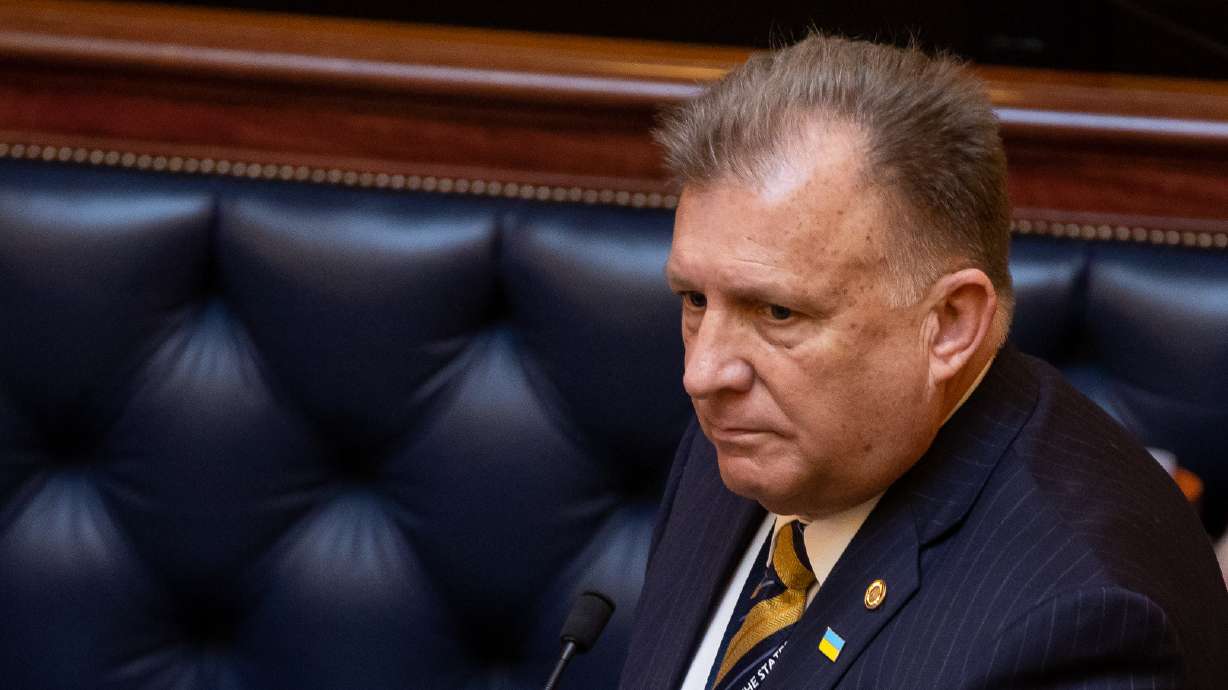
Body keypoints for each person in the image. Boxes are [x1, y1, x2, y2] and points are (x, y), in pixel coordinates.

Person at [618, 34, 1228, 689]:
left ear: (950, 325)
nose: (703, 374)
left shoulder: (1084, 623)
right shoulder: (750, 439)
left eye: (778, 312)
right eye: (694, 299)